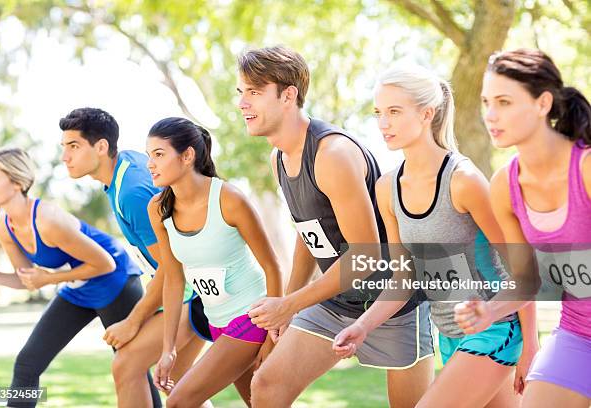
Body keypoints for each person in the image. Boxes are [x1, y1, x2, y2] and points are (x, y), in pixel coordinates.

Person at [238, 46, 434, 408]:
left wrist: (291, 303)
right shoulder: (278, 157)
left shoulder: (332, 154)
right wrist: (288, 304)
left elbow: (367, 257)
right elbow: (307, 229)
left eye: (254, 91)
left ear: (288, 95)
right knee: (267, 386)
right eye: (241, 92)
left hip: (393, 302)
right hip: (336, 300)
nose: (242, 103)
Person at [333, 65, 538, 407]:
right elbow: (404, 279)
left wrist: (530, 346)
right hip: (449, 335)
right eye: (379, 113)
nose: (384, 124)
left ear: (427, 113)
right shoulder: (387, 189)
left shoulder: (464, 180)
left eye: (394, 112)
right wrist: (364, 326)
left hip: (496, 327)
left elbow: (521, 268)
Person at [455, 48, 591, 407]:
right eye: (486, 102)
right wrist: (491, 310)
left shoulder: (586, 169)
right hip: (578, 334)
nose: (491, 115)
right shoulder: (505, 185)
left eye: (504, 102)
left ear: (543, 103)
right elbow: (527, 278)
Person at [59, 107, 211, 407]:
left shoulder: (131, 192)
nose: (65, 157)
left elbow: (172, 267)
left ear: (101, 147)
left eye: (73, 146)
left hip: (195, 291)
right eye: (63, 148)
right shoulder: (126, 168)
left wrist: (132, 321)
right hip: (193, 288)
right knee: (180, 388)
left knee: (126, 365)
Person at [0, 148, 143, 408]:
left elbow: (105, 263)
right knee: (27, 364)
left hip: (117, 282)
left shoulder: (47, 219)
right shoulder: (3, 224)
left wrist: (50, 279)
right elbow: (27, 279)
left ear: (18, 181)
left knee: (131, 370)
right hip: (77, 288)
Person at [145, 117, 283, 407]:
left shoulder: (229, 199)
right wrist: (168, 349)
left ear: (187, 156)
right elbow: (173, 279)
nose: (150, 164)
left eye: (158, 154)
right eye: (149, 156)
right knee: (262, 404)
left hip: (252, 316)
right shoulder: (158, 209)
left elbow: (272, 267)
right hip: (217, 323)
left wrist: (271, 338)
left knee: (178, 402)